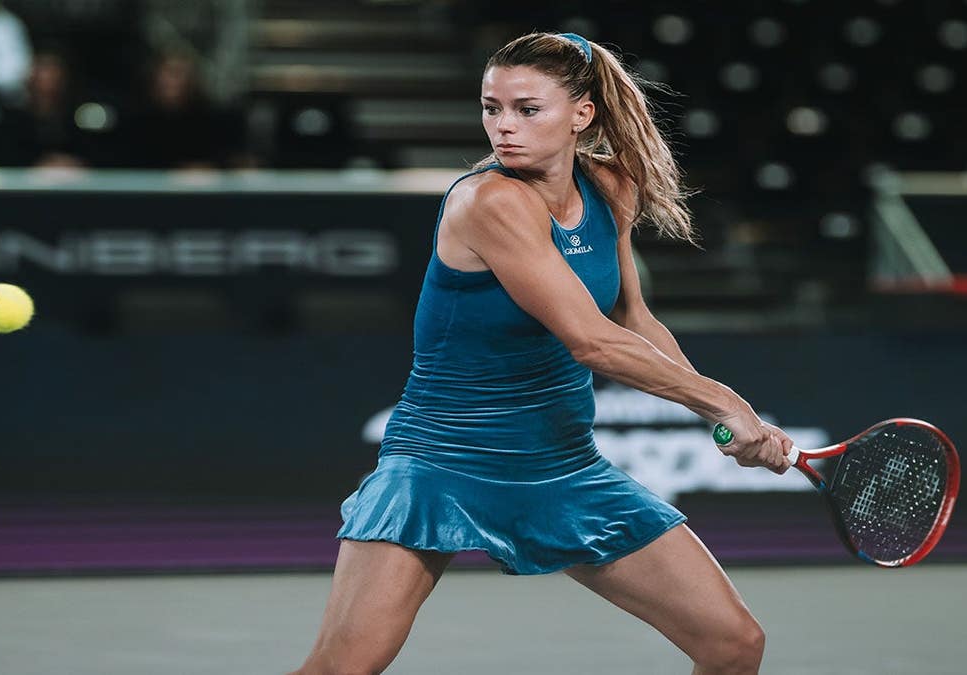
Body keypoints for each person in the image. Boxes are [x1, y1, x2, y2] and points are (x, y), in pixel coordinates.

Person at [292, 32, 793, 675]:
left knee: (733, 645)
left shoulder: (613, 186)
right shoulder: (489, 201)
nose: (503, 127)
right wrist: (725, 400)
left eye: (527, 109)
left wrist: (720, 416)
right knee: (342, 668)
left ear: (581, 115)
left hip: (563, 466)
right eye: (491, 107)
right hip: (441, 464)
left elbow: (631, 318)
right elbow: (590, 340)